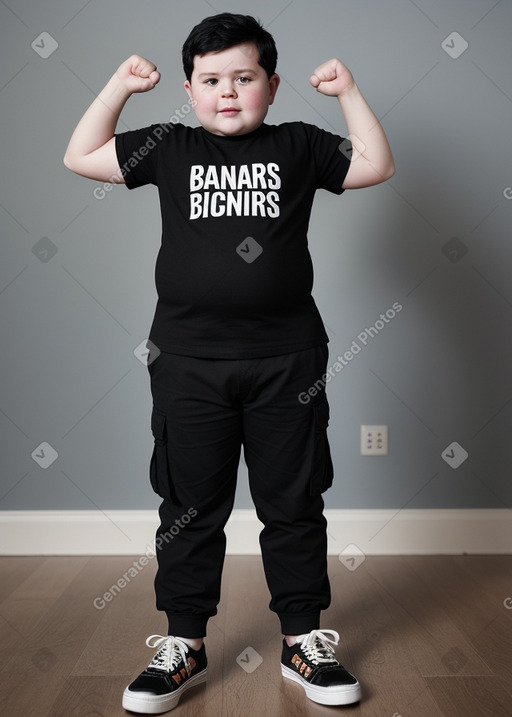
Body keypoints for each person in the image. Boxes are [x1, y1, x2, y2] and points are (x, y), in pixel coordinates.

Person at [64, 12, 394, 714]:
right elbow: (80, 155)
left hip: (287, 362)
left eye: (244, 78)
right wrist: (121, 86)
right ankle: (183, 642)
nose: (228, 92)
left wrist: (348, 92)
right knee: (188, 505)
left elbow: (376, 165)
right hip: (187, 361)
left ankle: (304, 640)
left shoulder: (300, 145)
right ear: (189, 89)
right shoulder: (168, 145)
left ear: (271, 86)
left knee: (294, 500)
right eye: (211, 80)